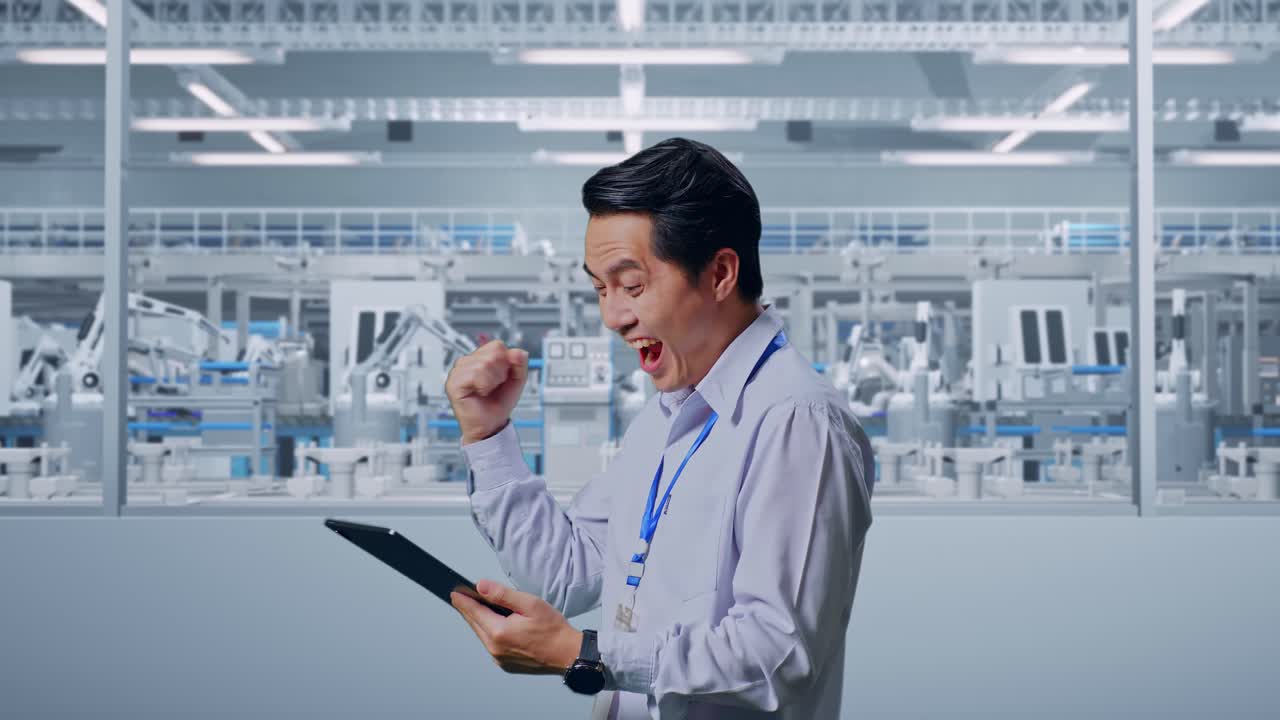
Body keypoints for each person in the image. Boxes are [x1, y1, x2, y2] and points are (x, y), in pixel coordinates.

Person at [445, 138, 874, 719]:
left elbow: (778, 655)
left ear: (720, 272)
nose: (613, 316)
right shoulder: (666, 415)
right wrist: (488, 434)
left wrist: (586, 654)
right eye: (601, 288)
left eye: (632, 284)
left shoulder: (795, 420)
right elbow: (567, 576)